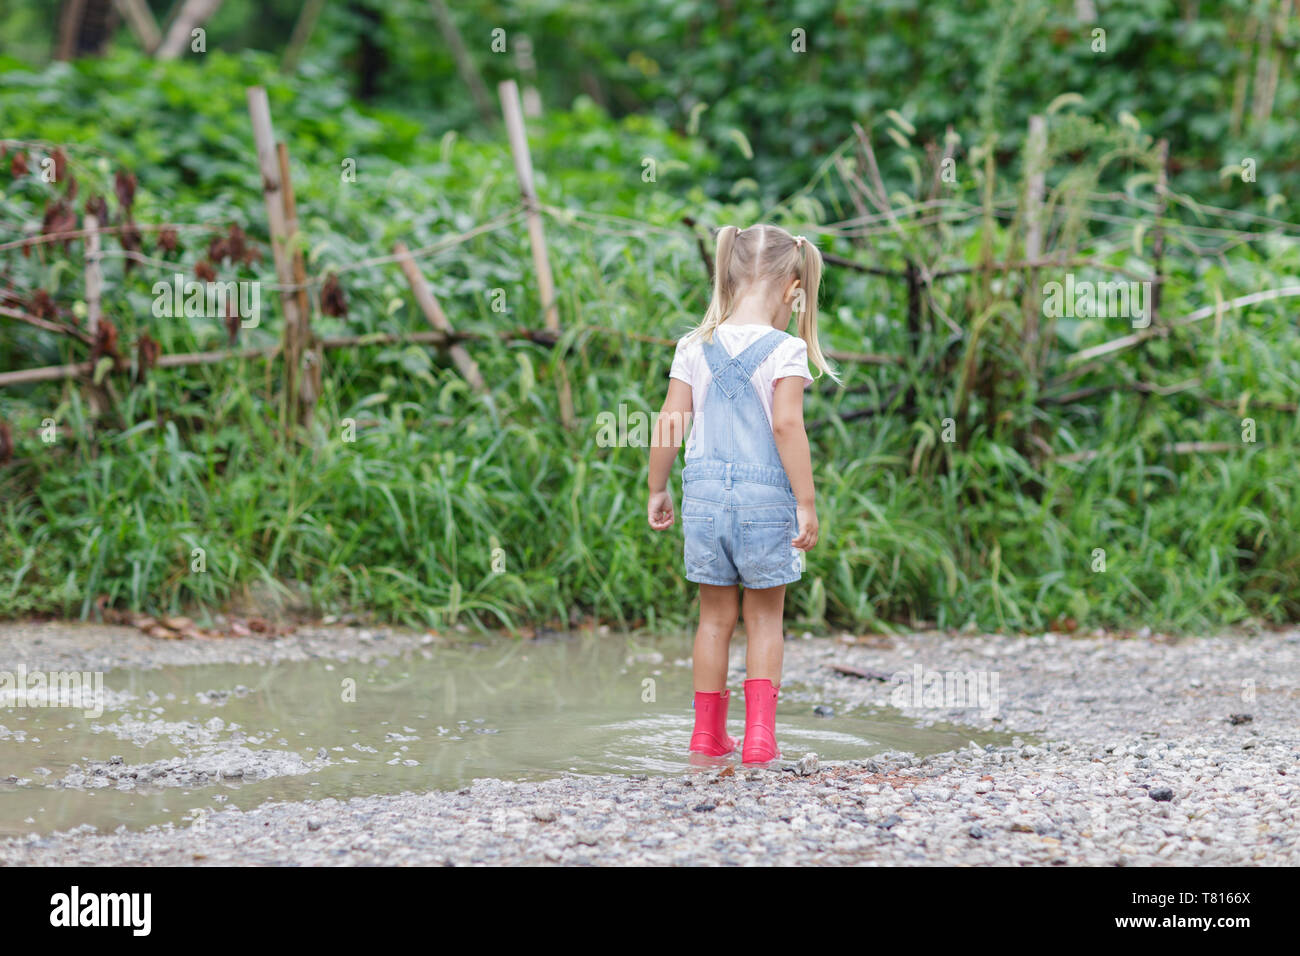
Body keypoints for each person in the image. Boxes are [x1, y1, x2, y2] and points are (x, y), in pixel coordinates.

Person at [647, 224, 840, 763]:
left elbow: (669, 422)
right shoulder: (787, 349)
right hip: (765, 503)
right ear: (791, 289)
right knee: (764, 619)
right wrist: (805, 501)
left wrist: (656, 486)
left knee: (713, 620)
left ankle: (706, 736)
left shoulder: (693, 344)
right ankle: (759, 739)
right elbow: (786, 428)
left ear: (727, 276)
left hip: (704, 500)